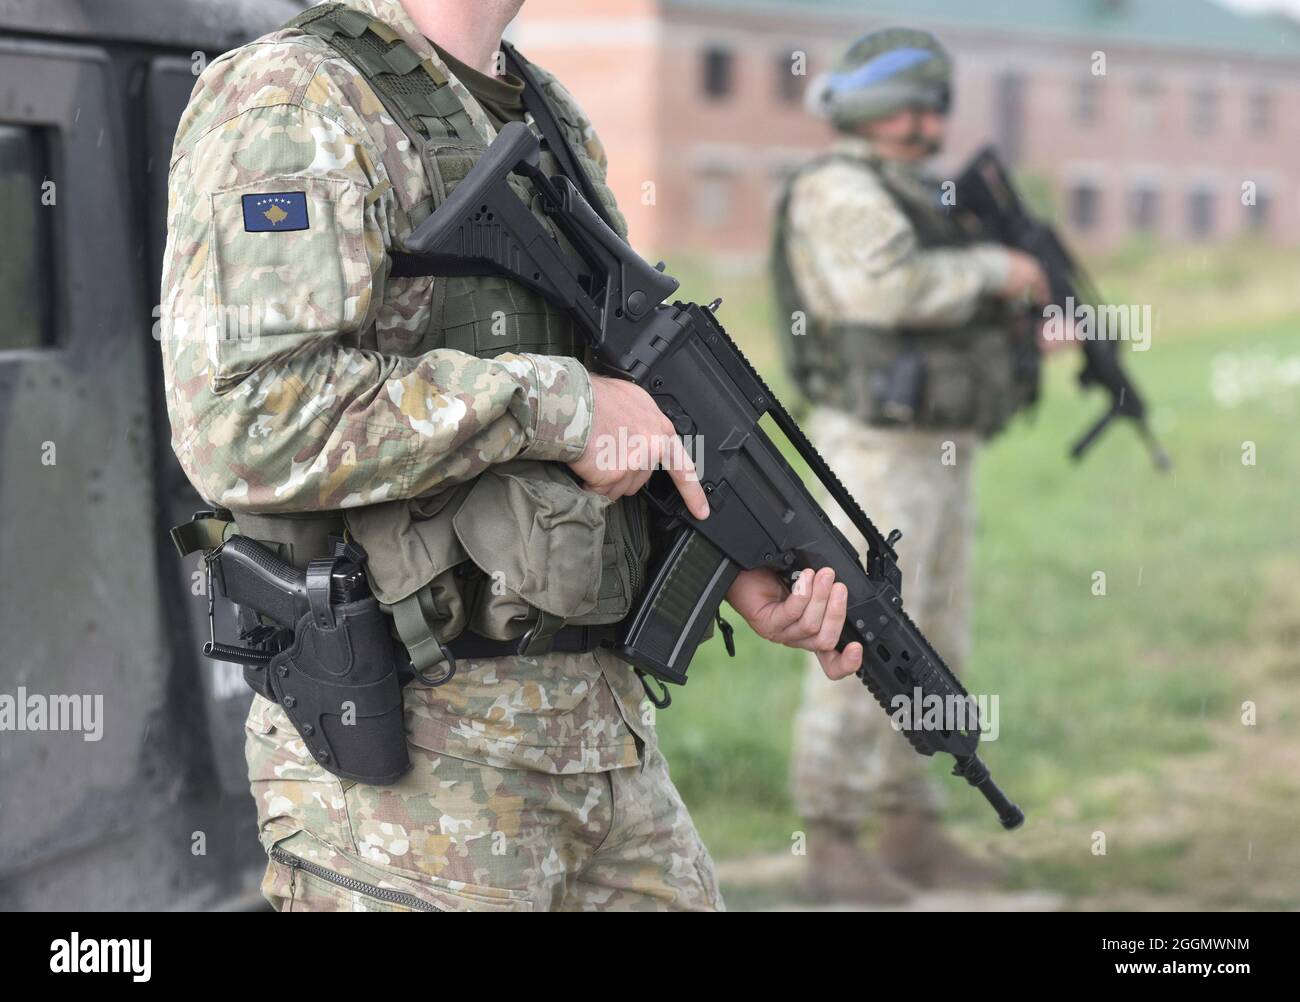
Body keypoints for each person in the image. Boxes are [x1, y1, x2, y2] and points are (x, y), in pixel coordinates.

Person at [160, 0, 862, 912]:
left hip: (601, 750)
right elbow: (244, 424)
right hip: (411, 782)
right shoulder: (292, 98)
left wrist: (729, 557)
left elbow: (620, 400)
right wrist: (554, 404)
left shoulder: (545, 112)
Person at [773, 27, 1047, 903]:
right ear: (887, 110)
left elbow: (940, 303)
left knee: (935, 639)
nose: (937, 119)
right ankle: (832, 838)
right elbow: (883, 292)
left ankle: (909, 823)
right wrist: (995, 270)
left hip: (935, 447)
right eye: (925, 102)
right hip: (874, 454)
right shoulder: (840, 188)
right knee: (865, 639)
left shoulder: (910, 190)